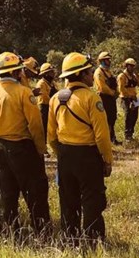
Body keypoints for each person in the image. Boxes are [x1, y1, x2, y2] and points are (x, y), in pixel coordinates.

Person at [47, 52, 113, 247]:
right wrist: (107, 160)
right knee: (92, 199)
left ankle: (70, 240)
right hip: (87, 156)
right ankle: (94, 241)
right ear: (82, 74)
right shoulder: (92, 98)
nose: (92, 74)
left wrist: (62, 154)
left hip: (65, 155)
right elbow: (102, 136)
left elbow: (51, 136)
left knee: (68, 200)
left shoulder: (55, 99)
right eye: (89, 71)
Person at [0, 52, 50, 237]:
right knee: (35, 190)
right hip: (22, 147)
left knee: (8, 192)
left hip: (0, 148)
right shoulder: (24, 93)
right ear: (14, 72)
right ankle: (42, 230)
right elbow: (35, 125)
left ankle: (13, 231)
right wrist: (40, 149)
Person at [94, 51, 121, 145]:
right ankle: (105, 140)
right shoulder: (99, 72)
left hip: (111, 98)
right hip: (103, 98)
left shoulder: (109, 72)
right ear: (102, 61)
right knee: (105, 119)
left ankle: (112, 138)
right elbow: (102, 87)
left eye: (109, 60)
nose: (109, 61)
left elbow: (114, 83)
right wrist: (112, 93)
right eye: (107, 60)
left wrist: (117, 92)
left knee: (112, 118)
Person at [116, 58, 139, 140]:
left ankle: (131, 133)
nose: (132, 68)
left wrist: (138, 76)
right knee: (128, 116)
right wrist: (129, 97)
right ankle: (127, 135)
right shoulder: (122, 76)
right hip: (126, 99)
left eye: (133, 66)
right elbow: (121, 89)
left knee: (135, 116)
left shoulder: (134, 76)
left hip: (135, 98)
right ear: (126, 66)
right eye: (131, 66)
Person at [35, 62, 58, 138]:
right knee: (44, 128)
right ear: (46, 74)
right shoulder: (41, 84)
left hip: (52, 107)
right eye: (51, 72)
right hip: (44, 108)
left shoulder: (52, 83)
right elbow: (45, 98)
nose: (53, 73)